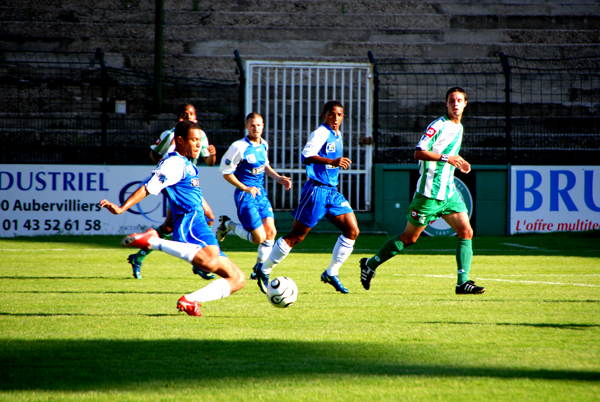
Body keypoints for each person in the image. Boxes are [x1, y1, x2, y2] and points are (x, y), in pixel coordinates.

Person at [100, 120, 246, 316]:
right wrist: (121, 208)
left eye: (199, 140)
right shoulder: (174, 162)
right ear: (179, 140)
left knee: (238, 278)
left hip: (197, 220)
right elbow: (148, 186)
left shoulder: (186, 164)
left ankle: (191, 300)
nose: (198, 145)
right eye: (194, 140)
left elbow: (180, 193)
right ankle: (153, 242)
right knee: (211, 262)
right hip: (190, 221)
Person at [359, 87, 486, 295]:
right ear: (446, 103)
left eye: (459, 100)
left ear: (465, 104)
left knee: (466, 231)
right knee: (409, 238)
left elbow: (448, 151)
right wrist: (447, 159)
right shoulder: (438, 125)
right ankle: (370, 265)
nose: (455, 104)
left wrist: (460, 161)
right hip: (428, 195)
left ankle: (462, 283)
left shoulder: (459, 126)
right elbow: (418, 152)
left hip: (449, 192)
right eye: (451, 100)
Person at [255, 100, 360, 294]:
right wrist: (332, 161)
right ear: (324, 115)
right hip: (316, 191)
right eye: (331, 114)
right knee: (297, 236)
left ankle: (331, 273)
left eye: (339, 114)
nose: (335, 118)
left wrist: (333, 166)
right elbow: (306, 155)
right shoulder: (320, 133)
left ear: (343, 116)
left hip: (332, 192)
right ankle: (264, 268)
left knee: (352, 231)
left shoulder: (338, 135)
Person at [127, 103, 217, 280]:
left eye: (191, 114)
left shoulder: (201, 136)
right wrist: (165, 165)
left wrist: (213, 154)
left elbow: (210, 162)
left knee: (168, 226)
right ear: (179, 118)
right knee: (208, 215)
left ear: (196, 118)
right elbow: (154, 153)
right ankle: (199, 262)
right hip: (175, 183)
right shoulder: (170, 135)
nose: (188, 117)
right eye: (185, 114)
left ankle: (138, 256)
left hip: (189, 183)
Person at [216, 112, 292, 280]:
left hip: (261, 194)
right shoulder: (238, 147)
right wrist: (245, 187)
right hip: (245, 196)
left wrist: (279, 178)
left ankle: (259, 268)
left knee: (271, 232)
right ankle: (227, 224)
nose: (255, 128)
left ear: (263, 126)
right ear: (247, 127)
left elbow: (265, 166)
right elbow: (226, 173)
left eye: (258, 125)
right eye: (252, 125)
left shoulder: (263, 144)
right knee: (259, 238)